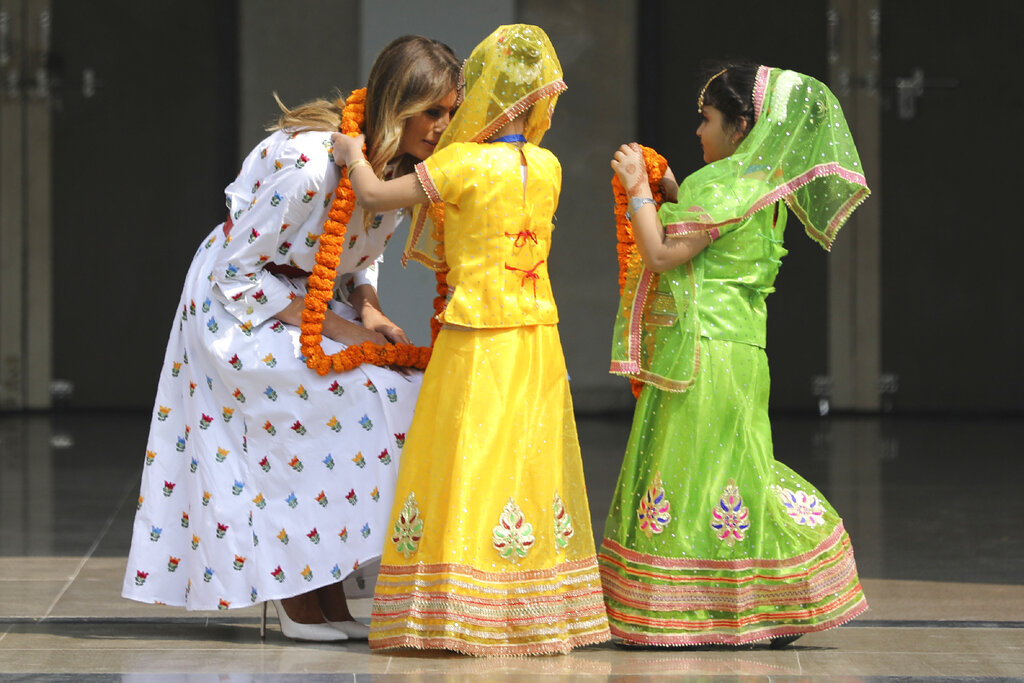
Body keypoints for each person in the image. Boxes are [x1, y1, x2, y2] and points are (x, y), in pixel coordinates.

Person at [121, 35, 461, 642]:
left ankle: (325, 574)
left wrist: (370, 309)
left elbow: (359, 255)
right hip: (237, 309)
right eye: (430, 112)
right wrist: (344, 328)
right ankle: (296, 586)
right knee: (344, 403)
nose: (440, 127)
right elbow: (237, 270)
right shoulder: (313, 166)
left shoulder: (398, 170)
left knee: (403, 394)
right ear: (395, 104)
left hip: (305, 305)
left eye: (449, 113)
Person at [331, 24, 612, 656]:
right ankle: (528, 610)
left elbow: (374, 195)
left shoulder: (456, 164)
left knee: (466, 457)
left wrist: (350, 152)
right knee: (526, 460)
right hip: (537, 336)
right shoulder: (549, 166)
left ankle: (459, 609)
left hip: (475, 335)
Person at [599, 62, 870, 648]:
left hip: (703, 356)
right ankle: (751, 601)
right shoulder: (768, 187)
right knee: (732, 471)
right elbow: (706, 243)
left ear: (742, 125)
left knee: (693, 472)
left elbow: (664, 255)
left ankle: (692, 608)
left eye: (708, 119)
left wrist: (639, 189)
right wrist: (671, 190)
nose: (699, 131)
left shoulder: (723, 186)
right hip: (741, 354)